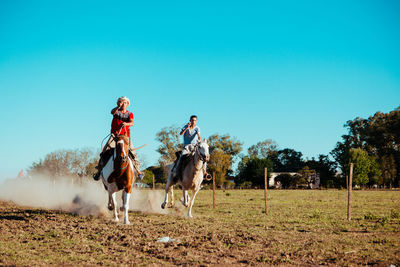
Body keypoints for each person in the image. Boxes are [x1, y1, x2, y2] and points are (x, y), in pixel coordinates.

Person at [93, 96, 143, 181]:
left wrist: (126, 124)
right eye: (121, 102)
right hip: (115, 136)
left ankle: (138, 171)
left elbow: (132, 123)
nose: (123, 104)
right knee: (105, 150)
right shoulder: (116, 112)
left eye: (125, 102)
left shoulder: (130, 113)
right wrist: (118, 107)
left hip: (125, 137)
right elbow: (112, 112)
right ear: (118, 103)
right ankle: (99, 170)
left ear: (127, 104)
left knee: (133, 152)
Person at [171, 115, 210, 180]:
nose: (193, 122)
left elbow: (199, 136)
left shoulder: (197, 128)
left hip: (194, 146)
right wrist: (187, 127)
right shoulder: (186, 126)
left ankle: (204, 173)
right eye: (192, 120)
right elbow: (181, 133)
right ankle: (177, 172)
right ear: (190, 120)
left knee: (203, 157)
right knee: (181, 158)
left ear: (196, 121)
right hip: (186, 146)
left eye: (195, 120)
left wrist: (199, 140)